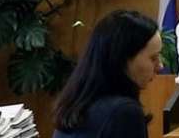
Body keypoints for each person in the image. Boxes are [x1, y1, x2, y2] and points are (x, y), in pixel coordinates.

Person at [53, 10, 162, 138]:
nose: (160, 66)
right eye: (153, 58)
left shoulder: (75, 106)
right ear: (122, 59)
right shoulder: (123, 112)